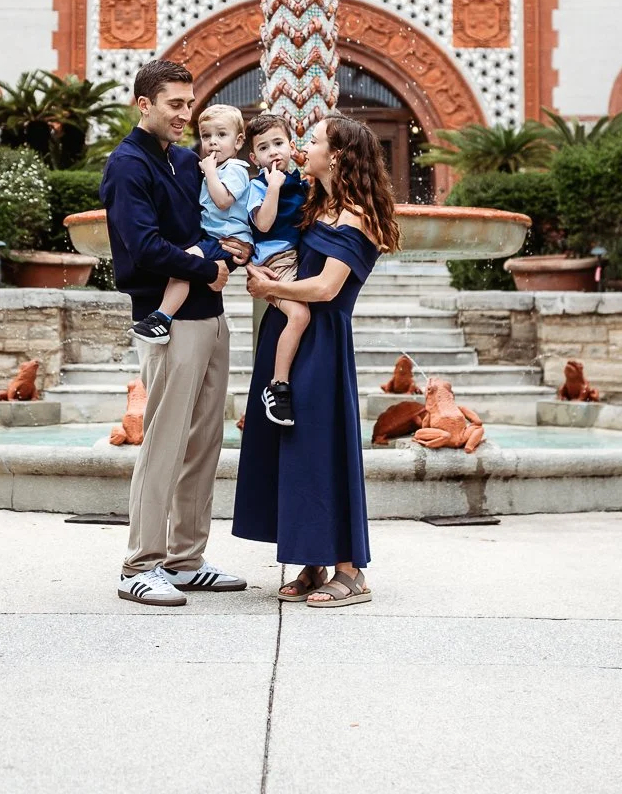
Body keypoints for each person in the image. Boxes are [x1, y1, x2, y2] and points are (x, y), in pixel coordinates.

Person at [101, 60, 254, 607]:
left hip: (212, 315)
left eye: (189, 104)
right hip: (169, 321)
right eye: (175, 104)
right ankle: (139, 564)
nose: (186, 114)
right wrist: (208, 264)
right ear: (144, 104)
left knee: (204, 442)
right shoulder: (127, 166)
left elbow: (220, 224)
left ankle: (185, 560)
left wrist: (231, 255)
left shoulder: (187, 161)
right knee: (164, 441)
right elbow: (142, 249)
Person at [232, 114, 401, 608]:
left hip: (323, 344)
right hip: (289, 336)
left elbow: (327, 288)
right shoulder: (318, 205)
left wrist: (269, 287)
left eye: (315, 139)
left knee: (323, 447)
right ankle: (313, 560)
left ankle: (351, 573)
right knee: (292, 448)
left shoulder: (357, 218)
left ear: (340, 154)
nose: (305, 146)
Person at [131, 104, 254, 345]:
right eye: (206, 136)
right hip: (214, 238)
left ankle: (162, 317)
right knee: (185, 265)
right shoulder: (213, 168)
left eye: (221, 135)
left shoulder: (236, 171)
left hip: (225, 240)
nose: (213, 142)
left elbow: (222, 201)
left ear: (239, 142)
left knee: (185, 263)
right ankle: (162, 317)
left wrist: (209, 172)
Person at [244, 112, 310, 427]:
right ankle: (277, 386)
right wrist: (272, 188)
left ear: (291, 145)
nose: (273, 152)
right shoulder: (257, 187)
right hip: (273, 261)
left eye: (278, 143)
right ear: (254, 156)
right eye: (264, 147)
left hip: (296, 256)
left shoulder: (301, 181)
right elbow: (264, 223)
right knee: (300, 315)